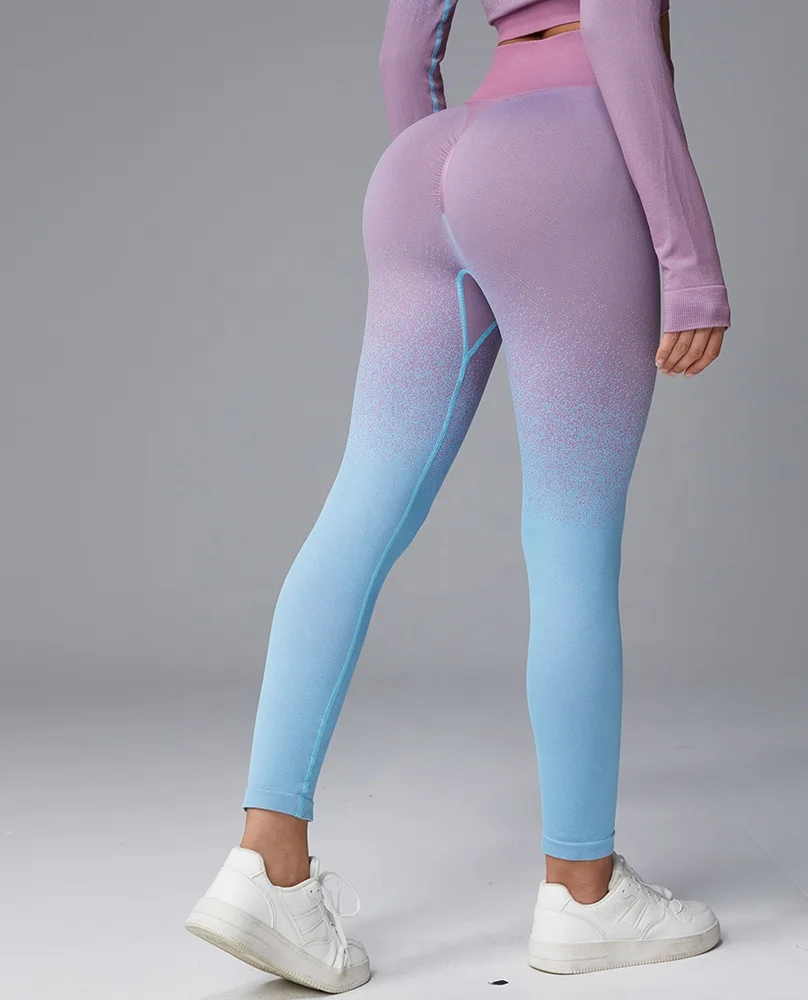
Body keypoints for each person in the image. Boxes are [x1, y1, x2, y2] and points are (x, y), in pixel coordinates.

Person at [184, 0, 731, 991]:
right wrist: (687, 264)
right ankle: (583, 893)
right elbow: (617, 30)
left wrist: (456, 183)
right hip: (569, 154)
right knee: (571, 532)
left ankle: (266, 864)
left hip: (426, 165)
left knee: (360, 504)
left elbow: (403, 48)